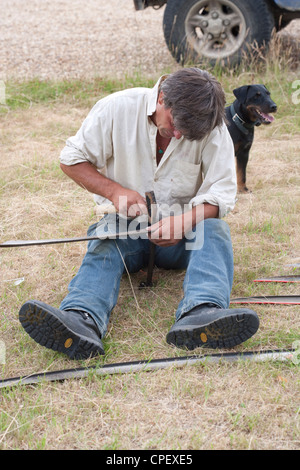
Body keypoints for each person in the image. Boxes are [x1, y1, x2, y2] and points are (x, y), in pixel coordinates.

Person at [19, 68, 259, 360]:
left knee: (214, 229)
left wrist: (183, 221)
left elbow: (222, 194)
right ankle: (82, 318)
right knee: (107, 234)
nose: (181, 134)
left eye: (189, 132)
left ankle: (202, 313)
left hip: (184, 237)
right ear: (161, 99)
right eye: (176, 124)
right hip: (128, 231)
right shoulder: (116, 109)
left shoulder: (211, 124)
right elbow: (71, 160)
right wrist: (114, 192)